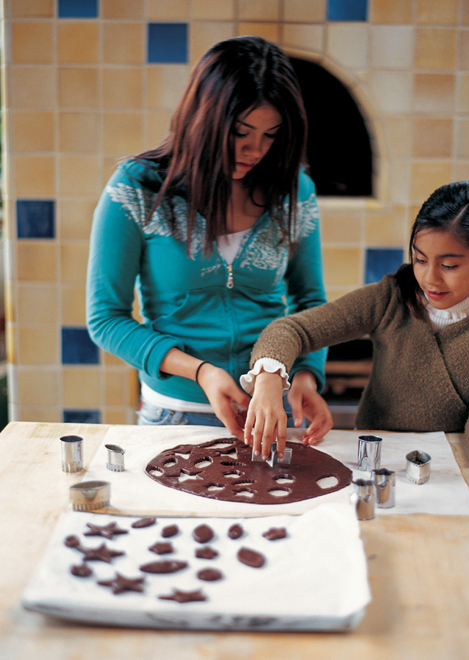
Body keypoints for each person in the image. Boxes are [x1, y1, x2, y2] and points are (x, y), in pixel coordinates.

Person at [86, 36, 329, 440]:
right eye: (240, 132)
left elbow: (311, 303)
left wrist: (306, 376)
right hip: (175, 416)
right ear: (204, 117)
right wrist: (202, 372)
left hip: (270, 416)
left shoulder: (294, 190)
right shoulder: (137, 189)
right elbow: (105, 318)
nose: (255, 150)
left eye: (271, 135)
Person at [242, 181, 469, 482]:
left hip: (449, 472)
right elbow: (291, 328)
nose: (430, 279)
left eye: (449, 265)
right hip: (374, 464)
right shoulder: (390, 297)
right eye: (420, 259)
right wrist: (269, 377)